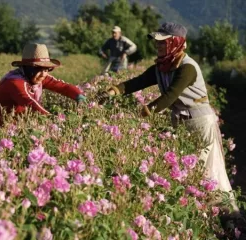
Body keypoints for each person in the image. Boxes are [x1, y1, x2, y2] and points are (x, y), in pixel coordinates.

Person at [97, 22, 239, 213]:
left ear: (176, 43)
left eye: (163, 42)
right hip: (182, 122)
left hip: (199, 123)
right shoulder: (162, 66)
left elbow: (170, 95)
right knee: (190, 170)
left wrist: (140, 114)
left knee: (206, 171)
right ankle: (204, 211)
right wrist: (113, 91)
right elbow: (138, 82)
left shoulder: (187, 67)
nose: (158, 46)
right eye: (157, 42)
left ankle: (225, 215)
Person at [0, 43, 86, 126]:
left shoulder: (36, 77)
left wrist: (79, 96)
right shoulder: (14, 82)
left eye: (47, 69)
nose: (44, 73)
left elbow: (62, 86)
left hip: (7, 125)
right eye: (39, 69)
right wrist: (52, 119)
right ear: (27, 69)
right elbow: (29, 102)